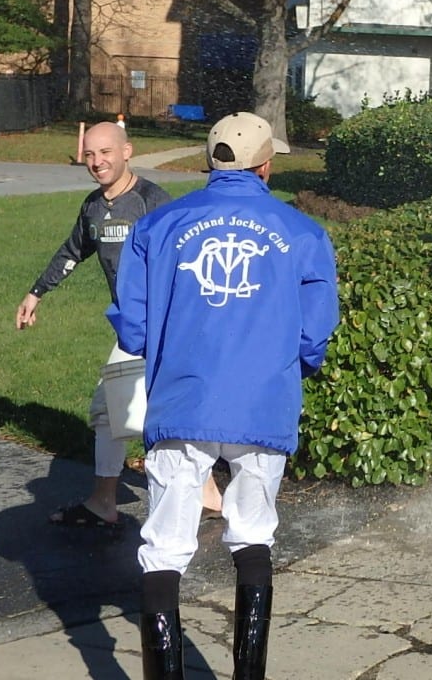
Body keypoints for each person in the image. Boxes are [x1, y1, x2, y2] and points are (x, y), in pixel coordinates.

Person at [107, 111, 340, 680]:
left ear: (212, 161)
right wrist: (290, 366)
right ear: (265, 165)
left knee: (164, 547)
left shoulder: (158, 227)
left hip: (180, 404)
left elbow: (132, 329)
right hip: (261, 405)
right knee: (253, 535)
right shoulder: (302, 231)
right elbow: (316, 332)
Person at [15, 121, 222, 528]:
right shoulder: (94, 207)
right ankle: (198, 495)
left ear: (128, 152)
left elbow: (190, 262)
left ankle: (121, 500)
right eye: (89, 154)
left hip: (167, 330)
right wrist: (36, 293)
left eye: (105, 152)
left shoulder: (152, 202)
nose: (97, 162)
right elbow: (73, 250)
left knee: (125, 410)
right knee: (126, 411)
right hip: (133, 328)